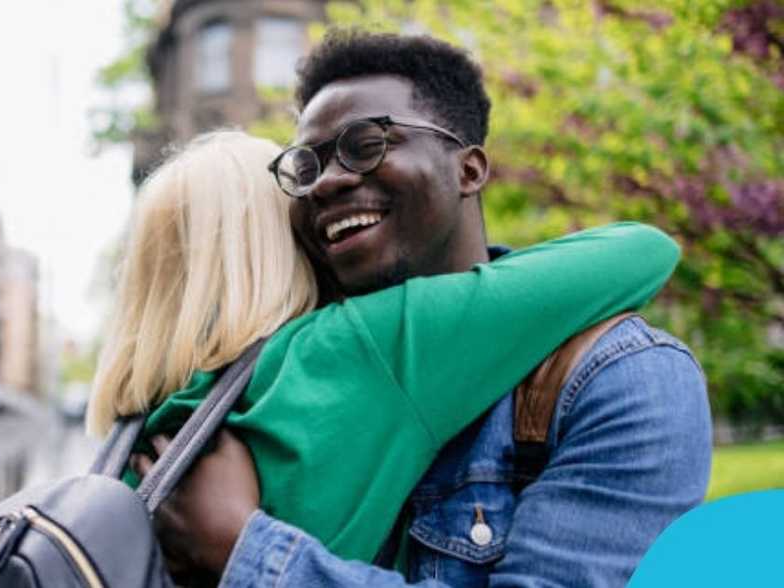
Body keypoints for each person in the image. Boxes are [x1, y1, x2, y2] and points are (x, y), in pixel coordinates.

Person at [143, 32, 713, 587]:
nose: (326, 184)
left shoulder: (617, 377)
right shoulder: (281, 370)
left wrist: (249, 554)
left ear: (468, 170)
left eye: (366, 145)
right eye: (307, 168)